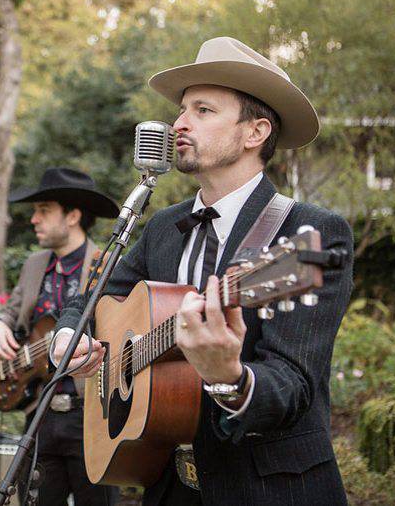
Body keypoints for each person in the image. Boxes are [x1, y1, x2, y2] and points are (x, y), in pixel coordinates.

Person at [52, 37, 354, 505]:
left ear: (255, 132)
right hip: (165, 481)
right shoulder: (161, 228)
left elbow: (294, 388)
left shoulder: (310, 233)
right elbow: (92, 296)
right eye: (182, 110)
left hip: (267, 488)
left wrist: (229, 377)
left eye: (203, 110)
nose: (179, 123)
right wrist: (69, 335)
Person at [0, 167, 119, 505]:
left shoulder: (106, 266)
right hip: (39, 415)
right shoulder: (34, 264)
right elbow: (11, 309)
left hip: (89, 416)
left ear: (72, 216)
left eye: (43, 210)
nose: (34, 219)